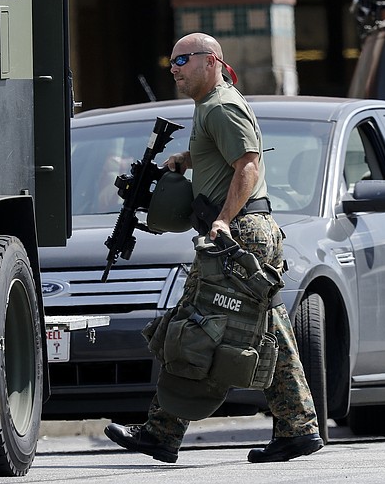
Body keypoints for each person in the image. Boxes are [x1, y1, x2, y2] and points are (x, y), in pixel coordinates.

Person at [104, 33, 323, 463]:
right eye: (171, 62)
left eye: (183, 59)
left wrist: (223, 220)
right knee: (268, 327)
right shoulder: (210, 107)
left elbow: (248, 164)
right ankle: (298, 427)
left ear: (212, 61)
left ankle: (161, 433)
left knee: (194, 324)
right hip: (241, 234)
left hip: (237, 233)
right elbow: (229, 156)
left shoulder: (221, 105)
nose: (175, 68)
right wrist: (188, 159)